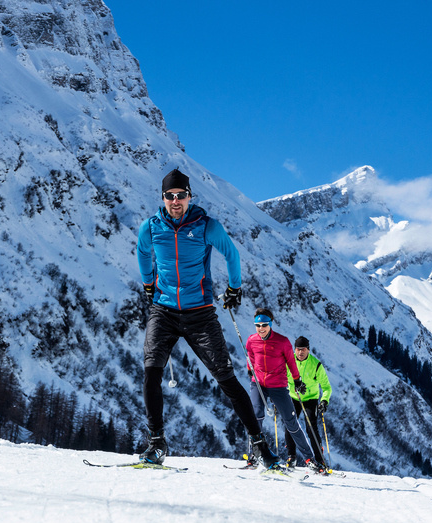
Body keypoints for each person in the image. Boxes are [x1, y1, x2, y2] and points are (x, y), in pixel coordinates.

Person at [135, 168, 278, 467]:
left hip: (200, 312)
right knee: (151, 373)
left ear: (190, 196)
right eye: (170, 196)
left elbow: (232, 254)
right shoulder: (151, 227)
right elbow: (142, 251)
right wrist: (148, 283)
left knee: (227, 380)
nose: (176, 201)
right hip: (163, 310)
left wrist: (234, 287)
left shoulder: (205, 226)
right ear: (162, 198)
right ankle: (157, 443)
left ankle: (259, 445)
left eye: (181, 196)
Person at [245, 307, 325, 472]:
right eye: (258, 325)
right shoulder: (251, 340)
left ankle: (309, 459)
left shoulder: (282, 342)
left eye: (264, 325)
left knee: (291, 422)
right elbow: (250, 355)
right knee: (256, 417)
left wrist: (296, 380)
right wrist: (249, 369)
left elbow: (291, 362)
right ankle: (254, 455)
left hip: (278, 385)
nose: (261, 328)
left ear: (270, 324)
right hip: (258, 383)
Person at [286, 336, 332, 468]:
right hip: (293, 397)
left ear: (308, 350)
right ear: (294, 350)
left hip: (311, 398)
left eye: (303, 349)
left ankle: (320, 459)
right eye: (298, 349)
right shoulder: (288, 362)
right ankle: (291, 457)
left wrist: (324, 401)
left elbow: (327, 387)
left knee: (311, 427)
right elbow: (280, 378)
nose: (300, 352)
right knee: (290, 425)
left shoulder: (316, 365)